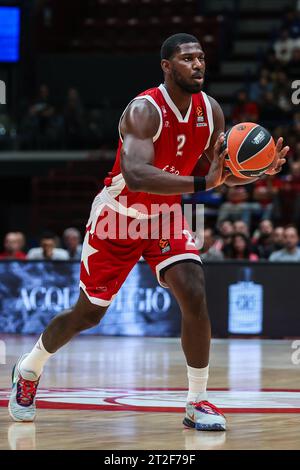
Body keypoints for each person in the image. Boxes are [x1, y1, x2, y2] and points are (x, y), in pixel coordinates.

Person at [8, 33, 288, 431]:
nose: (198, 64)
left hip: (165, 217)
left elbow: (216, 175)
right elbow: (137, 173)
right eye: (188, 58)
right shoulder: (144, 111)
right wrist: (202, 184)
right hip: (118, 217)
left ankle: (196, 401)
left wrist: (257, 171)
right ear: (167, 66)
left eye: (202, 58)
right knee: (89, 313)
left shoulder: (213, 112)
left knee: (193, 289)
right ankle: (30, 369)